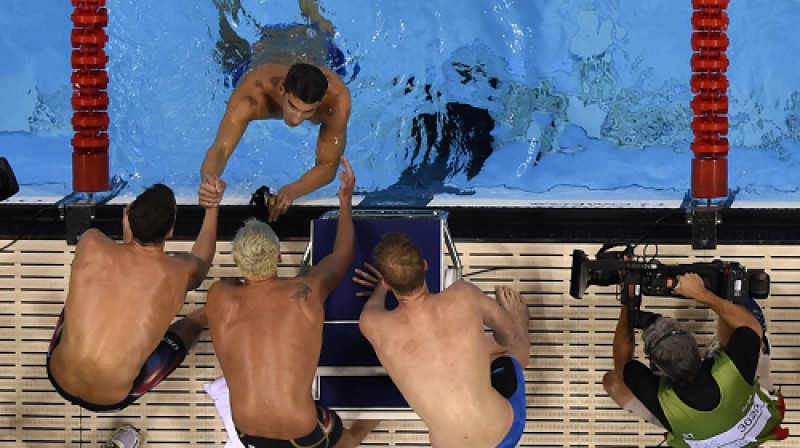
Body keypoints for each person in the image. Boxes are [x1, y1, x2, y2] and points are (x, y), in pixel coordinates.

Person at [206, 156, 378, 447]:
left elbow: (245, 291)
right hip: (302, 431)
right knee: (344, 443)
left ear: (237, 263)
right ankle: (366, 425)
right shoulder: (309, 290)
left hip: (248, 432)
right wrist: (345, 202)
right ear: (280, 257)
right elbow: (342, 255)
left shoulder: (219, 296)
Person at [46, 176, 226, 412]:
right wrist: (212, 210)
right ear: (170, 231)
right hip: (111, 398)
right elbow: (202, 262)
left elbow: (128, 262)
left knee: (86, 292)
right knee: (196, 320)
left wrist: (129, 237)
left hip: (58, 374)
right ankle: (202, 317)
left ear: (128, 218)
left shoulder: (91, 242)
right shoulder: (179, 273)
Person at [352, 232, 531, 447]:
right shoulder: (464, 294)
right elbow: (507, 332)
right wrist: (495, 340)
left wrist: (381, 287)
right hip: (506, 432)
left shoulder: (371, 324)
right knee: (511, 349)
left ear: (388, 283)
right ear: (426, 265)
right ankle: (523, 328)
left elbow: (373, 305)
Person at [602, 272, 788, 447]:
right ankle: (758, 353)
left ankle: (686, 428)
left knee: (613, 382)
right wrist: (703, 294)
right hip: (759, 424)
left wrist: (628, 305)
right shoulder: (729, 372)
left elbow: (623, 363)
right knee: (741, 328)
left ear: (658, 367)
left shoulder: (664, 402)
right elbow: (751, 326)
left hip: (700, 431)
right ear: (692, 341)